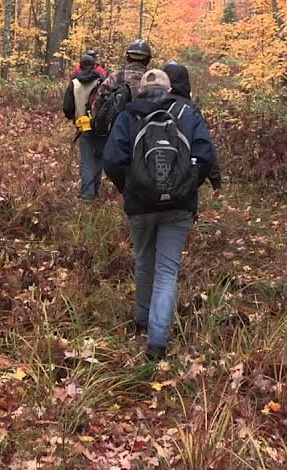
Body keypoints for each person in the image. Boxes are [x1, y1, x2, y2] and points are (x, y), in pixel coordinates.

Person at [104, 69, 220, 360]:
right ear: (170, 88)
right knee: (167, 271)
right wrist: (187, 185)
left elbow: (112, 160)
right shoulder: (186, 112)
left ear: (141, 88)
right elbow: (205, 155)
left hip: (140, 205)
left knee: (144, 260)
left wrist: (129, 187)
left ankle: (142, 319)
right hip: (179, 205)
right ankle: (157, 340)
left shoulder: (128, 115)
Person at [163, 61, 222, 194]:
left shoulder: (151, 105)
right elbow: (205, 146)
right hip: (184, 180)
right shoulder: (190, 109)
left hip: (151, 180)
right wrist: (215, 182)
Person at [63, 53, 106, 199]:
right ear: (95, 66)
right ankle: (96, 189)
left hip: (83, 126)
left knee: (86, 160)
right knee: (98, 157)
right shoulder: (103, 82)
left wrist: (74, 117)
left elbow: (67, 108)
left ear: (80, 67)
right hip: (101, 126)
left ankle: (88, 194)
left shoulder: (74, 83)